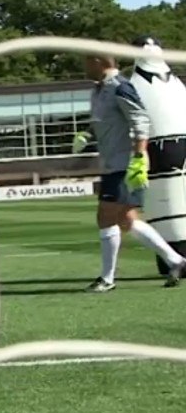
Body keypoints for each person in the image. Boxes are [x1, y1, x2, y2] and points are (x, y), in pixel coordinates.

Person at [72, 54, 185, 291]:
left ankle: (107, 278)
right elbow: (105, 120)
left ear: (98, 61)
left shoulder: (121, 87)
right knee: (127, 219)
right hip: (112, 163)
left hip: (125, 163)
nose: (83, 67)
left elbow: (139, 119)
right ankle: (176, 261)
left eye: (86, 62)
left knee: (105, 217)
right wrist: (88, 134)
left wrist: (138, 156)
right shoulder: (98, 90)